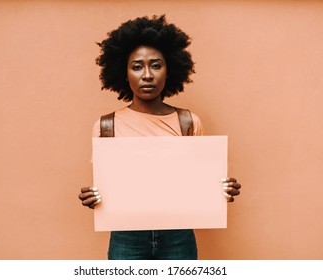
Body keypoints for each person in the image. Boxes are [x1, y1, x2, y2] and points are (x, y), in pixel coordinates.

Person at [78, 15, 241, 260]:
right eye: (136, 66)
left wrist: (220, 190)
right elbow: (109, 186)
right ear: (124, 72)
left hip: (179, 236)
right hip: (126, 236)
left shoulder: (188, 122)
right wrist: (94, 197)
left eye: (155, 65)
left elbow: (197, 182)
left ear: (170, 69)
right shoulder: (106, 126)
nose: (147, 75)